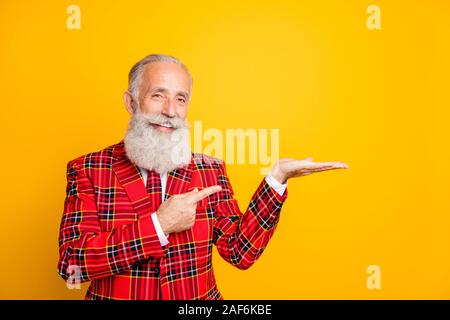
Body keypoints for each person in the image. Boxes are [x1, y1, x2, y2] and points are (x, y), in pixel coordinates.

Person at [57, 54, 349, 300]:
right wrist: (159, 225)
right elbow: (72, 265)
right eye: (158, 95)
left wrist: (276, 179)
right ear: (131, 102)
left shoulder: (210, 170)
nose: (170, 111)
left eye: (180, 99)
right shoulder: (88, 169)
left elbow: (240, 252)